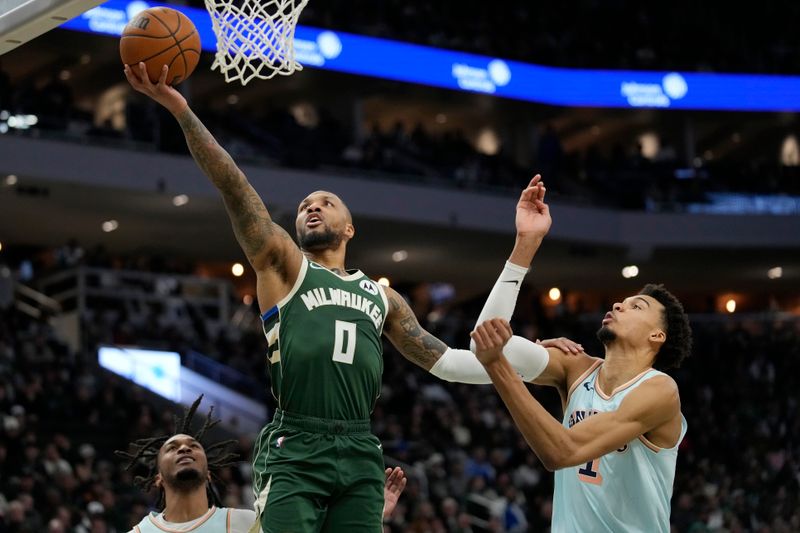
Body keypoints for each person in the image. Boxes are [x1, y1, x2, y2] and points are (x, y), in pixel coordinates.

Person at [124, 64, 555, 533]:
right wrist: (181, 109)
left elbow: (451, 363)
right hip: (296, 443)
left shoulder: (383, 297)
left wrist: (533, 358)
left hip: (359, 447)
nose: (313, 207)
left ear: (349, 228)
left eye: (325, 202)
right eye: (306, 205)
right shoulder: (284, 267)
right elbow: (234, 187)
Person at [468, 176, 692, 532]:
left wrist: (497, 365)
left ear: (656, 335)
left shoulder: (659, 390)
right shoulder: (575, 367)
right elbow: (479, 344)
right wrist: (526, 243)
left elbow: (561, 452)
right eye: (623, 300)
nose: (619, 303)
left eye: (637, 306)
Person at [118, 396, 408, 533]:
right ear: (158, 478)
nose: (184, 448)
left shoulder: (245, 524)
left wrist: (369, 514)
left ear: (209, 474)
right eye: (172, 447)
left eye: (194, 445)